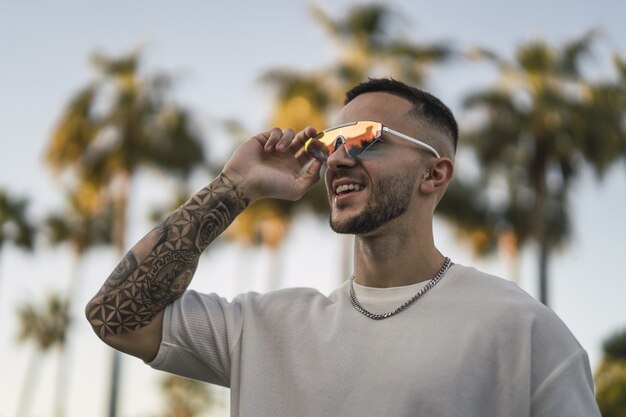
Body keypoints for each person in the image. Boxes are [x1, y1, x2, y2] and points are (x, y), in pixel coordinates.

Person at [85, 78, 601, 416]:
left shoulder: (519, 330)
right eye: (333, 143)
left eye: (365, 139)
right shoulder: (264, 328)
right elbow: (115, 316)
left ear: (435, 173)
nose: (338, 160)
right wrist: (235, 186)